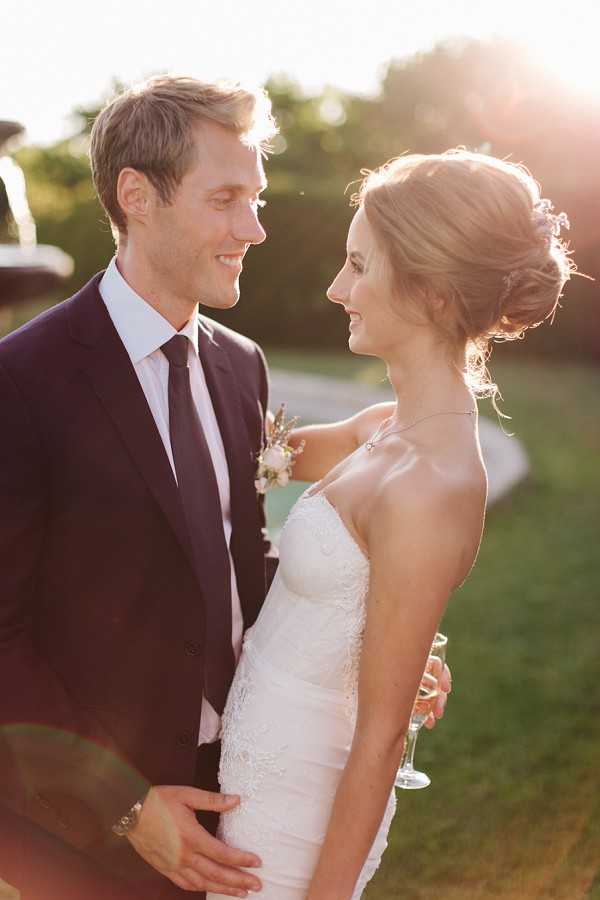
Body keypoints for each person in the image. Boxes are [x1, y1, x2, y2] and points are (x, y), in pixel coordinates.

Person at [0, 76, 450, 900]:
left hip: (241, 795)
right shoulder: (21, 382)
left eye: (258, 197)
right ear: (137, 195)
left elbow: (235, 561)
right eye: (227, 199)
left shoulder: (239, 364)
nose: (256, 227)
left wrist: (366, 645)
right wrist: (127, 806)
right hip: (82, 837)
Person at [209, 150, 574, 899]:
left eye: (359, 266)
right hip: (250, 782)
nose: (336, 288)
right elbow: (241, 457)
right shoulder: (382, 428)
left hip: (297, 822)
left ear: (435, 295)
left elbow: (379, 746)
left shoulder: (432, 486)